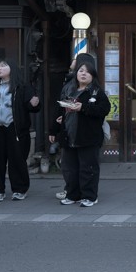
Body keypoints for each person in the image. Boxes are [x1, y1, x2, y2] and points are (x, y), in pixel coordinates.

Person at [0, 58, 40, 201]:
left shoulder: (22, 87)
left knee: (17, 160)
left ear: (12, 68)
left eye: (3, 66)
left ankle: (19, 189)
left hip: (15, 129)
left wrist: (34, 104)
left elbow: (33, 106)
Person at [57, 59, 109, 207]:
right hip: (69, 135)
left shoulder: (97, 92)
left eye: (87, 71)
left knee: (88, 168)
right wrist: (61, 119)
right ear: (76, 74)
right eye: (80, 71)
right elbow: (61, 109)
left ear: (93, 75)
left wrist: (83, 108)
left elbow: (104, 110)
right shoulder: (69, 90)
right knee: (69, 169)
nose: (83, 74)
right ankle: (72, 195)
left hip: (89, 137)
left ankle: (89, 196)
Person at [49, 53, 95, 200]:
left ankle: (86, 193)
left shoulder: (94, 88)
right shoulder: (69, 84)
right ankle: (71, 191)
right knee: (69, 165)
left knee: (85, 166)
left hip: (86, 133)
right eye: (79, 68)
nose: (73, 66)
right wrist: (54, 128)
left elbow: (101, 109)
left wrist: (82, 109)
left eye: (81, 66)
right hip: (68, 130)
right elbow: (59, 107)